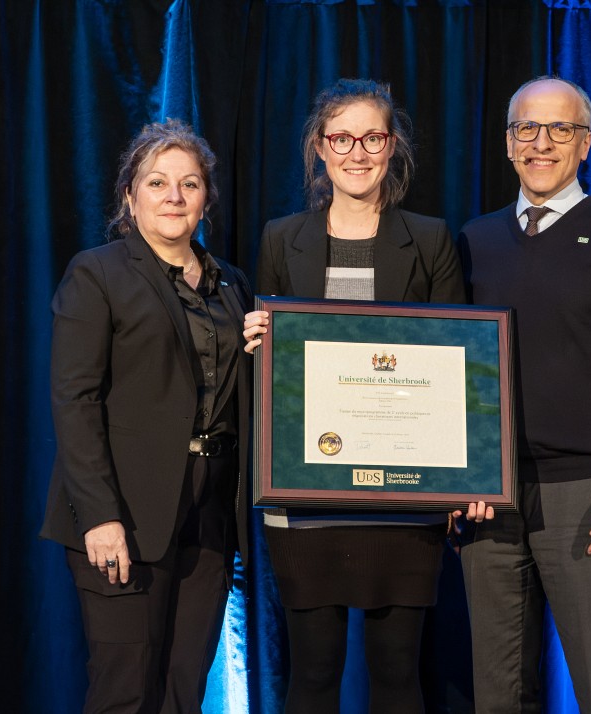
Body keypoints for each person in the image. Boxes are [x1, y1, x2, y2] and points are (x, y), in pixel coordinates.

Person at [242, 78, 465, 714]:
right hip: (307, 494)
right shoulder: (281, 239)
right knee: (312, 674)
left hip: (404, 494)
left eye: (372, 137)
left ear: (391, 146)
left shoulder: (429, 239)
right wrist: (260, 341)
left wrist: (453, 483)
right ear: (319, 146)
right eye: (342, 137)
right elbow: (277, 380)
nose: (357, 152)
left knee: (397, 673)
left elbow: (453, 367)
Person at [456, 77, 591, 713]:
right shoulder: (474, 240)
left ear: (584, 146)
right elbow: (451, 370)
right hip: (488, 499)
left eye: (560, 130)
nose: (541, 143)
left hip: (590, 493)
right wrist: (452, 478)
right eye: (527, 128)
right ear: (507, 143)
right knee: (497, 695)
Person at [40, 119, 252, 714]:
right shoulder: (98, 272)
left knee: (183, 693)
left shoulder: (232, 285)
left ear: (207, 197)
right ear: (129, 197)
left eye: (189, 183)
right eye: (157, 183)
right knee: (125, 692)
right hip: (123, 519)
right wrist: (100, 516)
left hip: (208, 521)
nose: (174, 196)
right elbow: (74, 403)